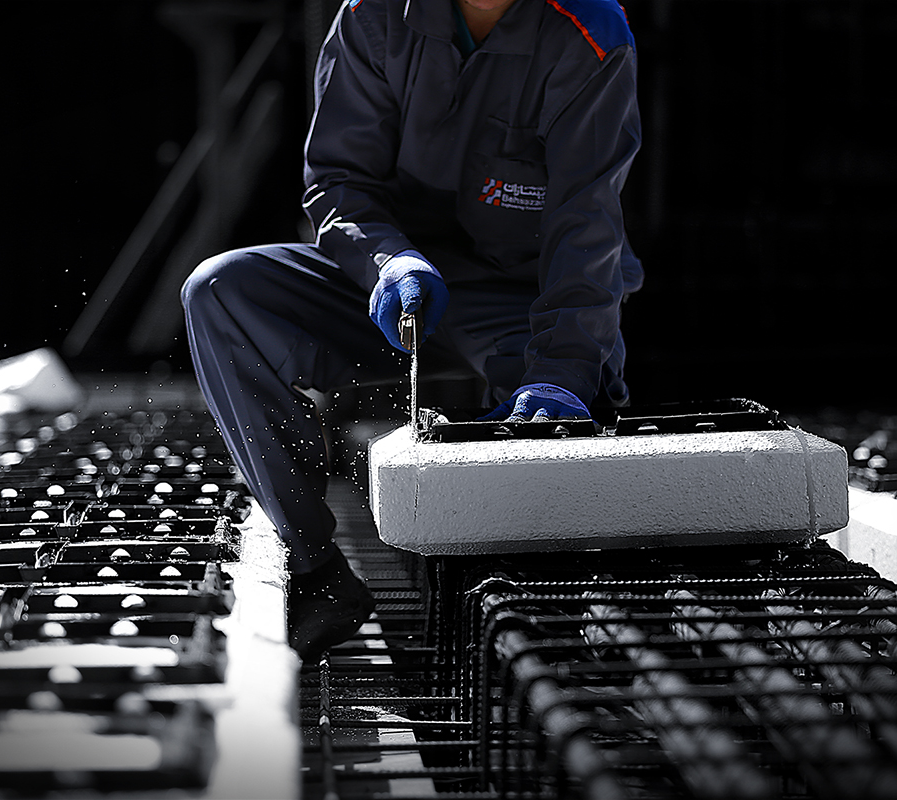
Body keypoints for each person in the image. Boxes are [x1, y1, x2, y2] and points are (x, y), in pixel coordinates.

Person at [181, 0, 642, 660]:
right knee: (221, 291)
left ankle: (545, 628)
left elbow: (587, 225)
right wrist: (388, 260)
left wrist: (563, 374)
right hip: (394, 285)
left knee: (559, 422)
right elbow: (339, 182)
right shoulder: (373, 15)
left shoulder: (591, 34)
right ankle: (316, 572)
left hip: (522, 300)